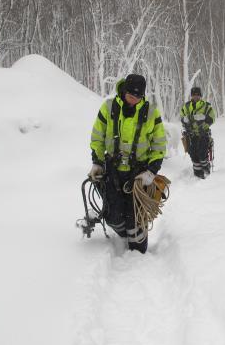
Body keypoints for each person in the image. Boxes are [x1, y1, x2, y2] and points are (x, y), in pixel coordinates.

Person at [88, 74, 167, 253]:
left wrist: (151, 171)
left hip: (137, 175)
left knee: (136, 220)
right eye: (131, 96)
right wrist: (97, 162)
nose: (133, 100)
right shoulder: (108, 108)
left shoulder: (151, 112)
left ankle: (138, 252)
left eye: (138, 97)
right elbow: (97, 137)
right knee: (112, 217)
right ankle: (123, 239)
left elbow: (159, 145)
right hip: (112, 172)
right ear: (124, 92)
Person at [180, 86, 216, 179]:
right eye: (194, 95)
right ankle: (197, 172)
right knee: (193, 154)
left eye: (197, 95)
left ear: (200, 96)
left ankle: (206, 168)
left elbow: (212, 118)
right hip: (191, 135)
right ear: (191, 96)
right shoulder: (186, 106)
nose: (195, 97)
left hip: (203, 134)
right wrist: (185, 120)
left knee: (202, 153)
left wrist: (203, 124)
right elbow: (182, 116)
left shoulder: (206, 106)